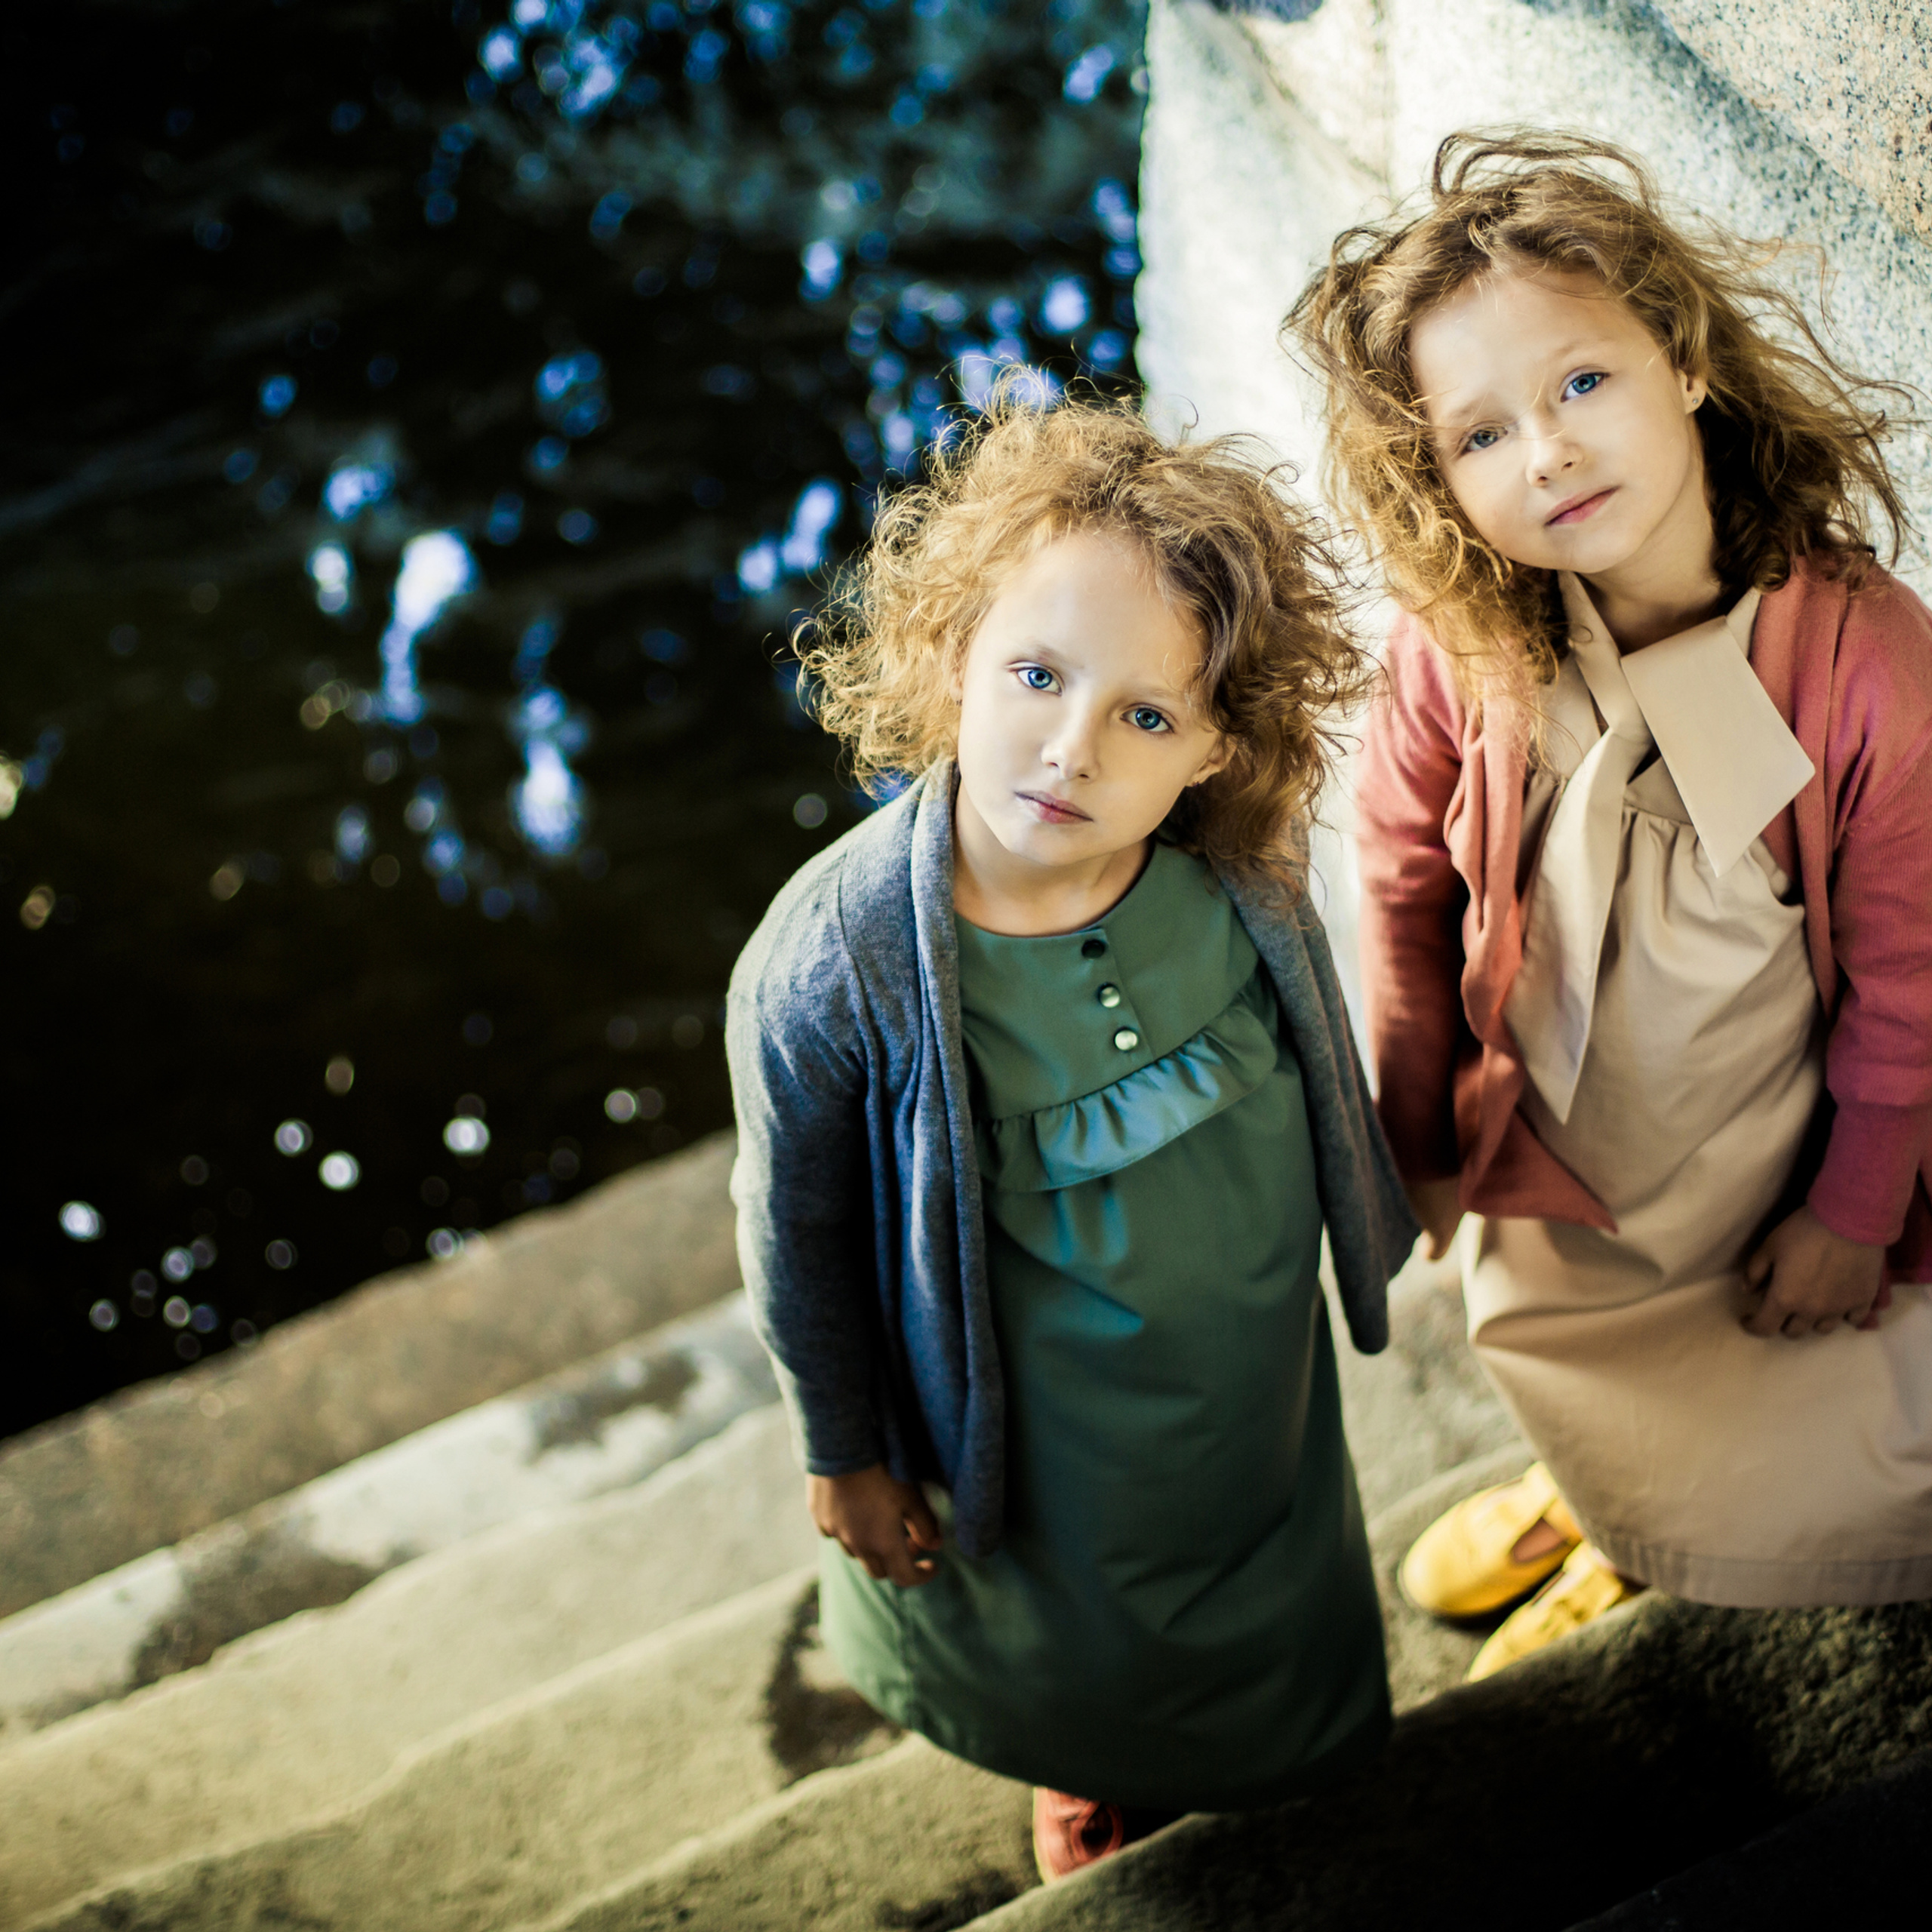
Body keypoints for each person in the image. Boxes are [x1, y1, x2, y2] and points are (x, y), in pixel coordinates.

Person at [726, 392, 1417, 1880]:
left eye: (1144, 714)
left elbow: (1312, 1048)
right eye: (1034, 672)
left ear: (1213, 748)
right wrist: (841, 1447)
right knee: (1069, 1612)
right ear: (950, 649)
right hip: (1030, 1418)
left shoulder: (1230, 874)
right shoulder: (837, 958)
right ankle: (1089, 1763)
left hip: (1242, 1368)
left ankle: (1252, 1748)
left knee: (1250, 1563)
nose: (1069, 746)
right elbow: (795, 1226)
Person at [1288, 131, 1932, 1678]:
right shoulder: (1460, 640)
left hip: (1764, 1128)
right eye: (1479, 434)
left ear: (1685, 357)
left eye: (1579, 383)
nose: (1548, 454)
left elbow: (1910, 977)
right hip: (1551, 1123)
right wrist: (1418, 1125)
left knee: (1767, 1376)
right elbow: (1393, 870)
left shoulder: (1862, 665)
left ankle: (1670, 1529)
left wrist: (1849, 1215)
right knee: (1559, 1342)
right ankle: (1599, 1495)